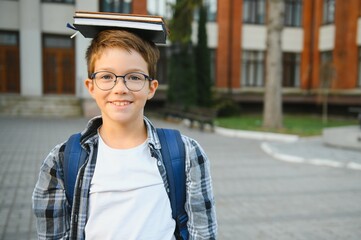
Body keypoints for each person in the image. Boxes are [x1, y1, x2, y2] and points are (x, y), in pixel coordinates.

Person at [32, 29, 217, 240]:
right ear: (91, 87)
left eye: (134, 77)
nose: (120, 88)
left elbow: (202, 234)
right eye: (107, 76)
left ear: (151, 88)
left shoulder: (186, 153)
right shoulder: (62, 159)